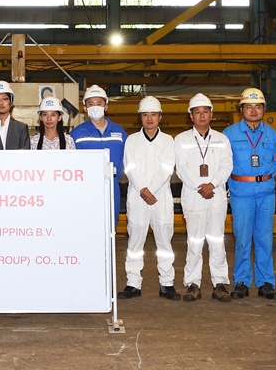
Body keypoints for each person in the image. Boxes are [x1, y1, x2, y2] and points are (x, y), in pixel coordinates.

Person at [173, 93, 233, 302]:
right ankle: (193, 284)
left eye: (205, 111)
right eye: (197, 112)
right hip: (194, 196)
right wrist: (201, 186)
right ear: (191, 116)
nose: (201, 115)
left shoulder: (222, 139)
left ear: (211, 114)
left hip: (215, 195)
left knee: (217, 241)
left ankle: (220, 284)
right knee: (194, 242)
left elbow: (227, 166)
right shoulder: (181, 140)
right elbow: (181, 168)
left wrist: (212, 184)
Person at [223, 87, 276, 300]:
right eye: (249, 106)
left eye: (258, 106)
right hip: (241, 193)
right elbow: (224, 163)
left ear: (264, 109)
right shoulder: (229, 134)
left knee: (265, 239)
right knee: (242, 239)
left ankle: (266, 282)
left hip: (265, 193)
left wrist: (263, 177)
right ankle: (241, 281)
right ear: (241, 109)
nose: (254, 110)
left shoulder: (272, 134)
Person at [118, 96, 178, 301]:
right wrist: (144, 190)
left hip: (160, 198)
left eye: (153, 114)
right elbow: (130, 166)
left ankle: (167, 284)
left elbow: (167, 167)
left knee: (164, 241)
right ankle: (133, 283)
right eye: (145, 115)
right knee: (135, 241)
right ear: (140, 117)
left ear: (160, 116)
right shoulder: (132, 140)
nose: (149, 119)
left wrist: (150, 190)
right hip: (138, 197)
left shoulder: (168, 141)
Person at [70, 85, 127, 225]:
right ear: (85, 108)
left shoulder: (119, 133)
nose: (95, 107)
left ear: (106, 106)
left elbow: (125, 160)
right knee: (86, 226)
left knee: (110, 226)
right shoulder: (76, 134)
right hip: (85, 189)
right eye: (91, 104)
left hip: (112, 187)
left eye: (99, 103)